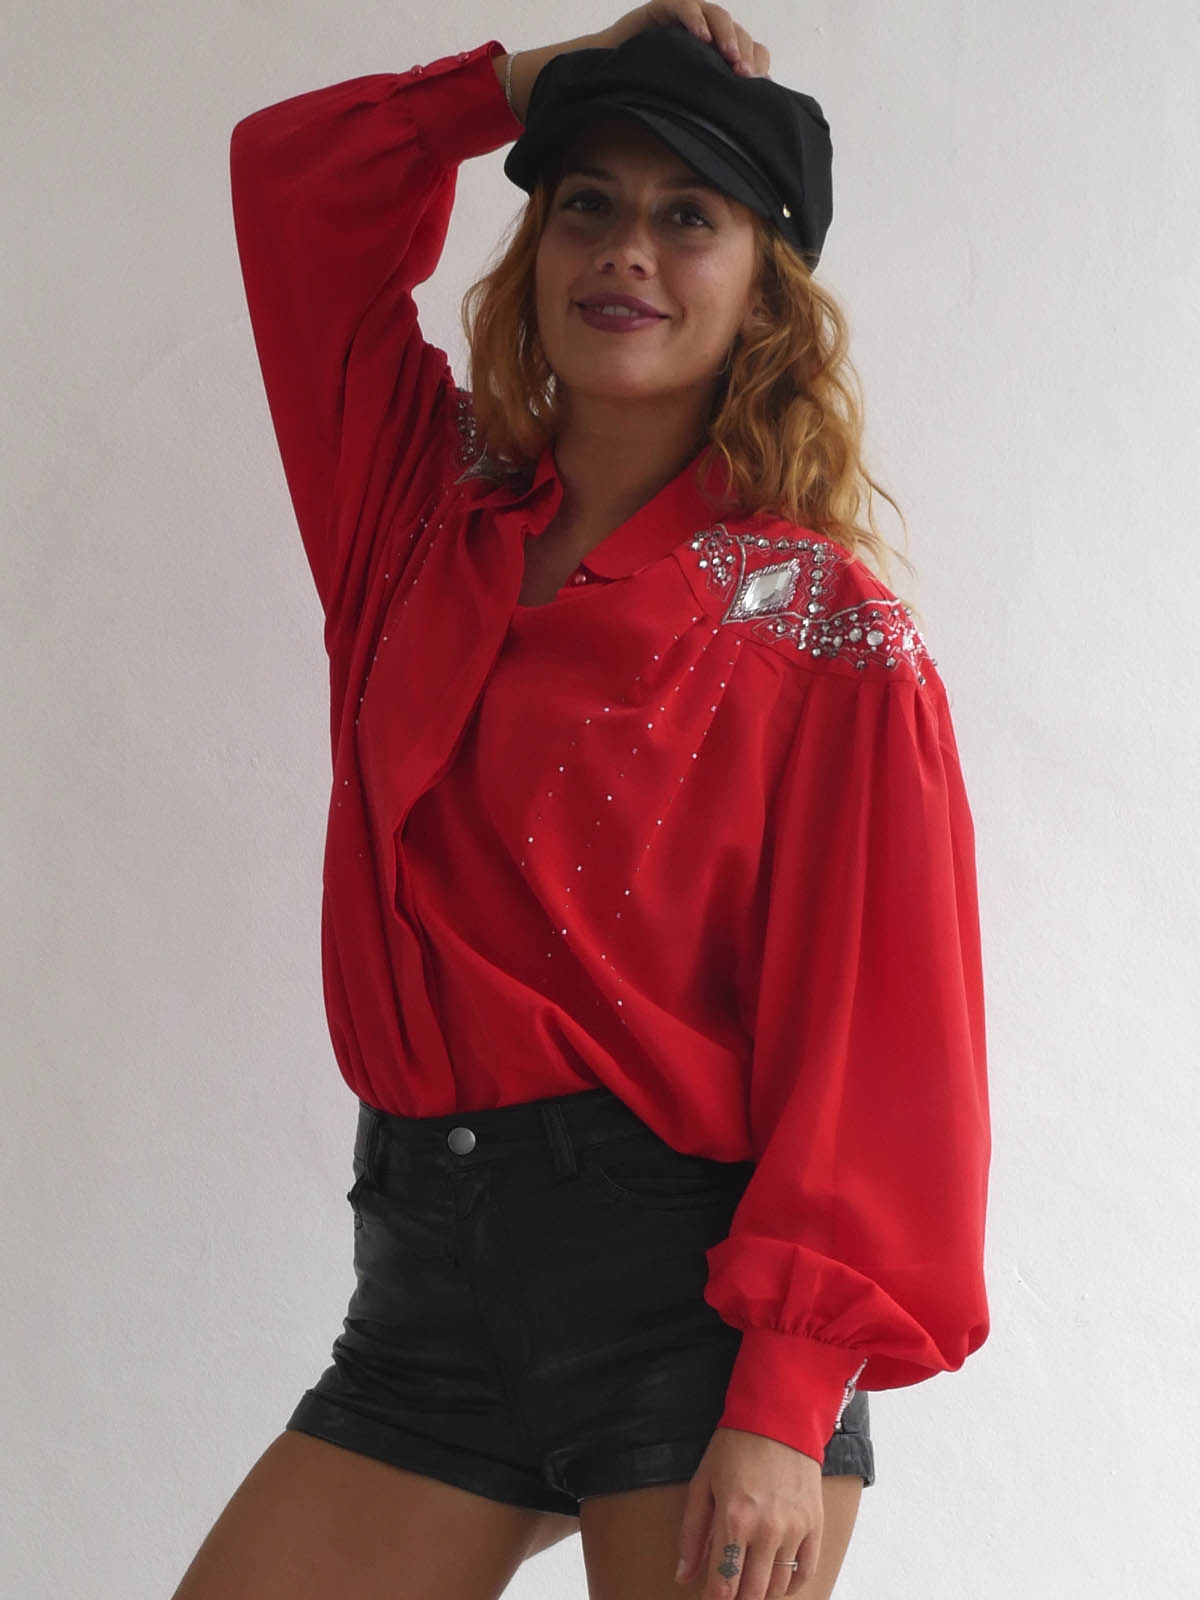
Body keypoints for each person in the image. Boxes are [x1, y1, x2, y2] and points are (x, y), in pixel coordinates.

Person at [174, 6, 991, 1598]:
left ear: (767, 290)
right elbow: (291, 182)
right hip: (424, 1300)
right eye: (587, 204)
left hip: (689, 1321)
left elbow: (886, 1042)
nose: (627, 251)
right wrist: (530, 80)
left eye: (690, 214)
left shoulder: (818, 627)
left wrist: (782, 1402)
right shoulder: (414, 515)